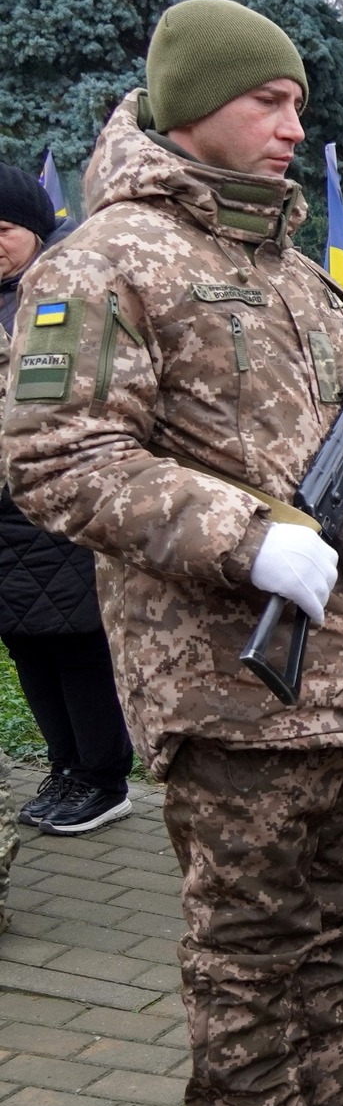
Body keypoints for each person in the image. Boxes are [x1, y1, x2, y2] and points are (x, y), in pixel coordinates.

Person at [1, 0, 343, 1106]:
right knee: (245, 942)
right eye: (269, 101)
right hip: (229, 677)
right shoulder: (101, 263)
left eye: (298, 103)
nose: (291, 124)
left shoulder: (289, 266)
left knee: (332, 923)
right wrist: (240, 540)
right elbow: (57, 458)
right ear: (194, 100)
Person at [0, 161, 136, 835]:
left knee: (78, 646)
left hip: (56, 508)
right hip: (4, 520)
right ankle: (63, 766)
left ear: (33, 229)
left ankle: (103, 775)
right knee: (28, 647)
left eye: (2, 229)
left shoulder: (64, 292)